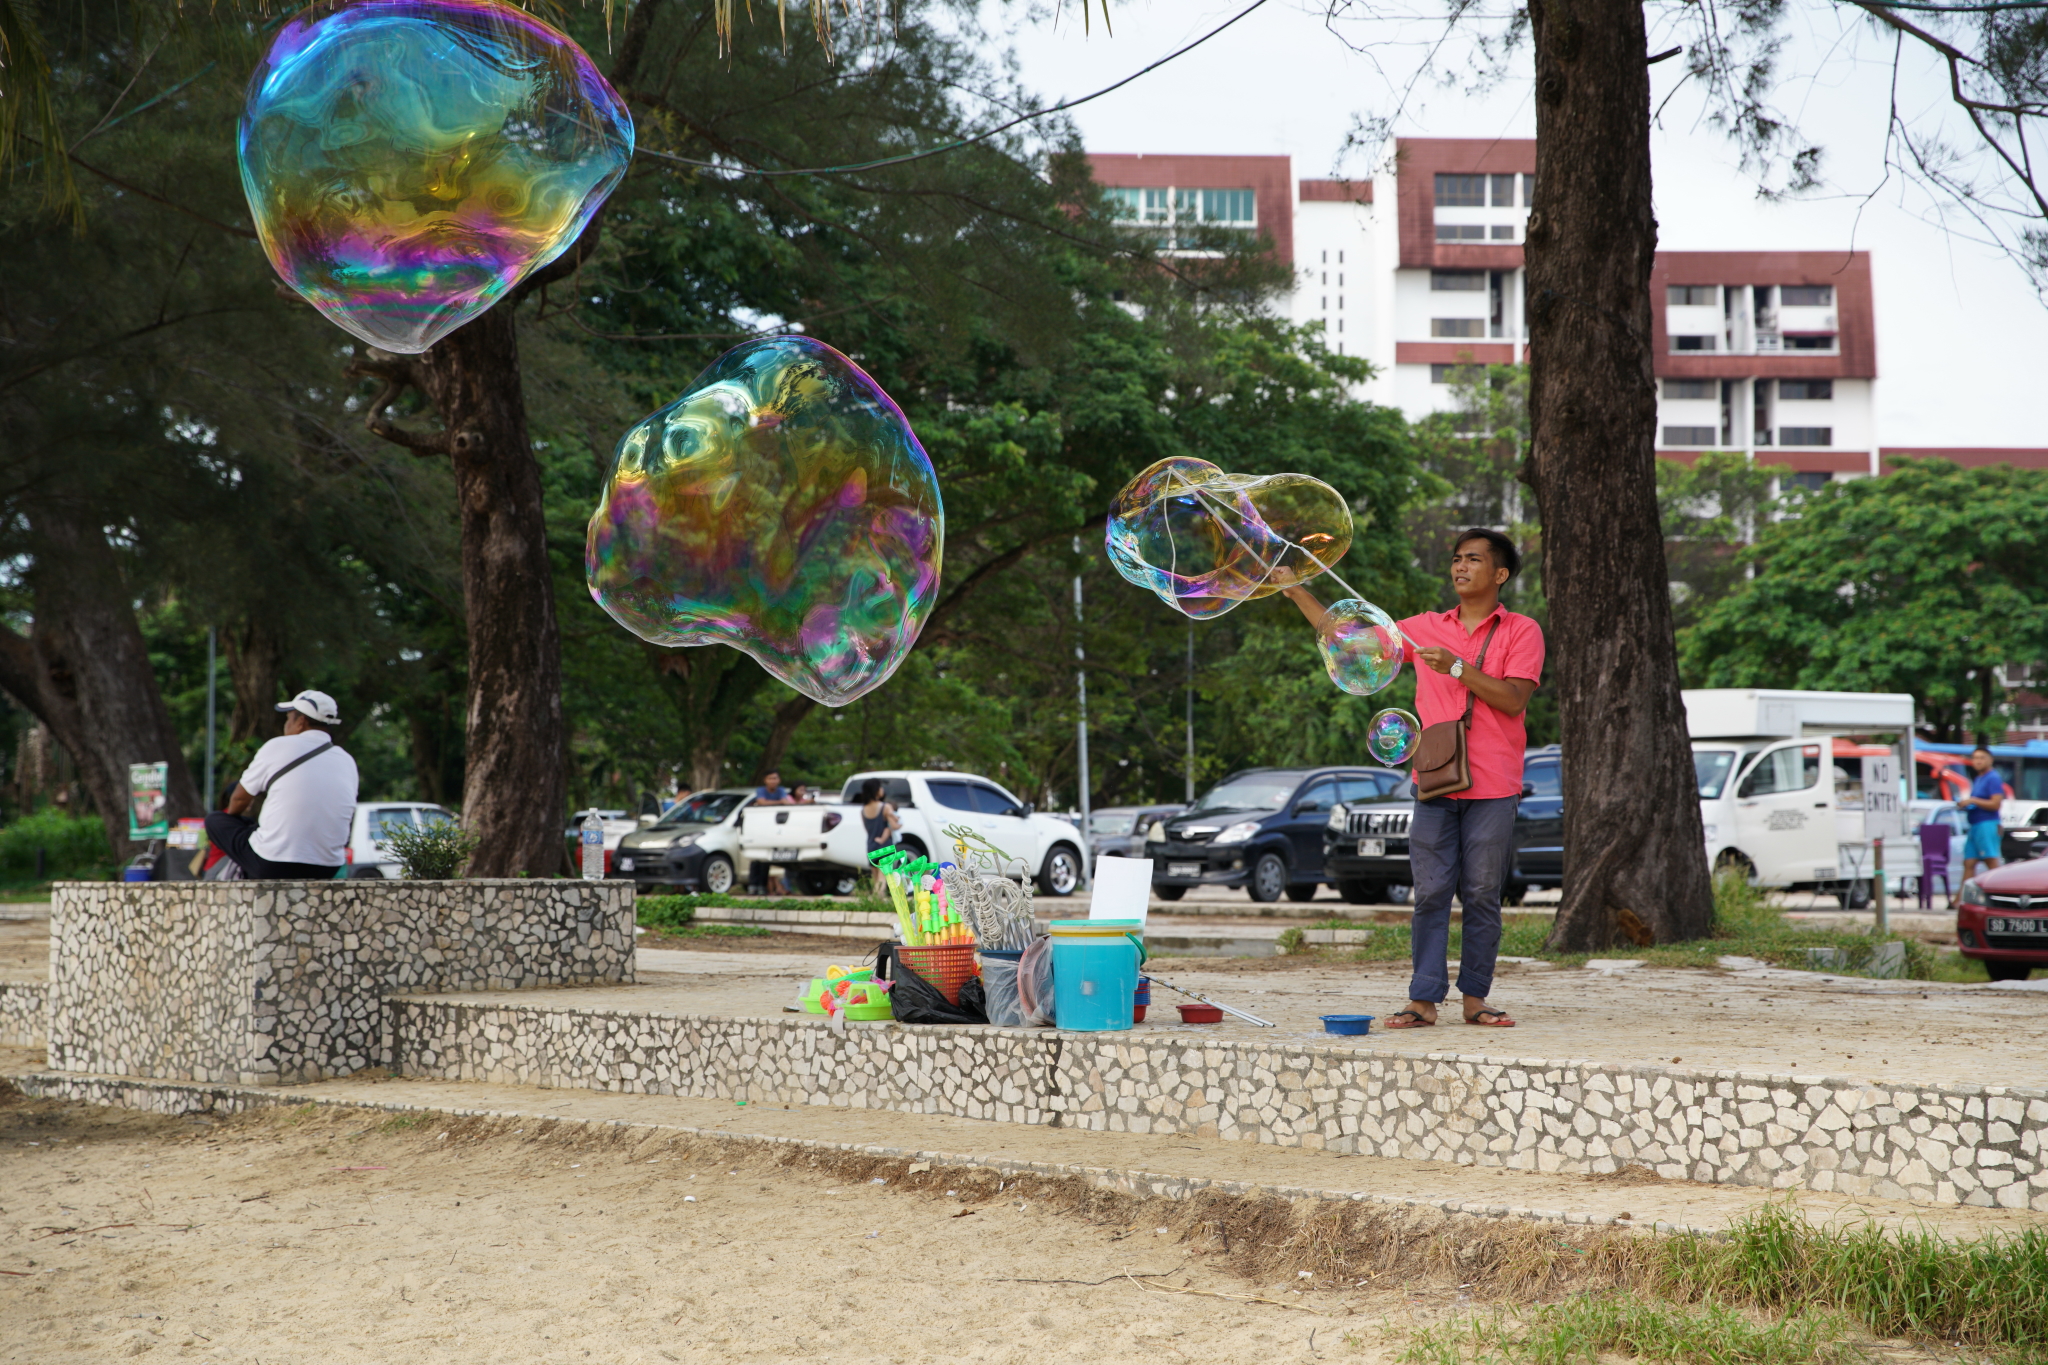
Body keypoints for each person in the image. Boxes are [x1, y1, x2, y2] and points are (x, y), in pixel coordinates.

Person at [1293, 527, 1543, 1030]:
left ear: (1500, 574)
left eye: (1473, 559)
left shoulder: (1522, 630)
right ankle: (1423, 999)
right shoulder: (1423, 626)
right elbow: (1353, 644)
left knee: (1480, 892)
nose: (1460, 567)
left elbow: (1514, 699)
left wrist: (1456, 667)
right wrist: (1294, 588)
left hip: (1494, 784)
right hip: (1434, 779)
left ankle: (1476, 999)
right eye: (1456, 559)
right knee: (1430, 892)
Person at [203, 690, 359, 880]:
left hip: (275, 864)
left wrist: (235, 820)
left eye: (288, 719)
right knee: (256, 830)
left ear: (300, 722)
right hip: (327, 867)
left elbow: (238, 798)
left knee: (215, 820)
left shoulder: (277, 746)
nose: (286, 725)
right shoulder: (347, 760)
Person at [1959, 746, 2006, 881]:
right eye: (1975, 758)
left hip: (1987, 824)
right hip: (1975, 824)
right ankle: (1959, 900)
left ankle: (2001, 893)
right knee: (1969, 862)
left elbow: (1996, 804)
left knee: (1991, 861)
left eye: (1981, 758)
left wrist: (1973, 800)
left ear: (1990, 760)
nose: (1977, 761)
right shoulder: (1979, 778)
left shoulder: (1993, 778)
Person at [859, 778, 901, 893]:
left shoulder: (863, 810)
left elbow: (867, 830)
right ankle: (878, 901)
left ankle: (874, 902)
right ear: (876, 790)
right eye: (880, 787)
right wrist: (899, 822)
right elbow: (894, 826)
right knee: (883, 878)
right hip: (885, 846)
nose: (882, 789)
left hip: (871, 845)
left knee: (876, 878)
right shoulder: (885, 807)